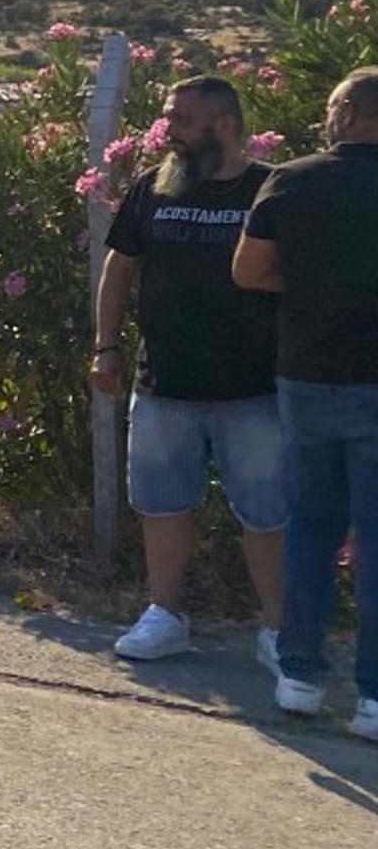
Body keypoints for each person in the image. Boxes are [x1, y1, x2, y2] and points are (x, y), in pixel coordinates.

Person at [97, 75, 284, 665]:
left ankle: (280, 630)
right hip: (164, 386)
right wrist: (106, 347)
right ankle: (165, 615)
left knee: (268, 514)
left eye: (181, 120)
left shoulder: (270, 190)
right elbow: (119, 268)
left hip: (254, 391)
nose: (168, 132)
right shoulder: (154, 187)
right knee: (162, 506)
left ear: (222, 124)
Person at [233, 65, 378, 741]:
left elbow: (248, 271)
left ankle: (299, 675)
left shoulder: (291, 180)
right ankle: (374, 697)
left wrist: (313, 288)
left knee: (311, 529)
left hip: (308, 375)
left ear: (344, 115)